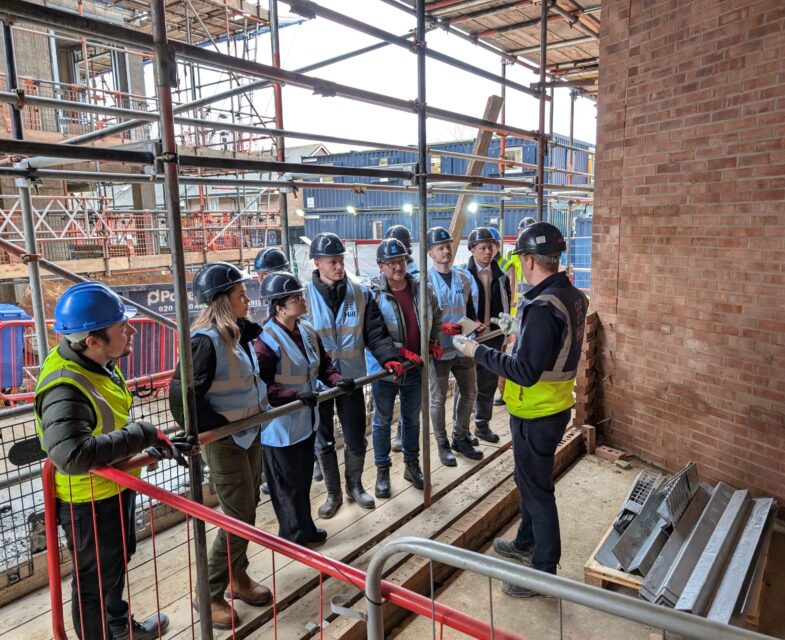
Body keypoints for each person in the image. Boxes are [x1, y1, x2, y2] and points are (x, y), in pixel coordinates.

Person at [452, 222, 588, 598]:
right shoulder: (569, 294)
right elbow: (551, 344)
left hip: (537, 411)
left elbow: (525, 372)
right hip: (551, 406)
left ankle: (543, 572)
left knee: (538, 492)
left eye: (520, 260)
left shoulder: (544, 306)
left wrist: (476, 351)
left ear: (529, 259)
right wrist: (521, 328)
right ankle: (527, 542)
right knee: (528, 483)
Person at [35, 281, 173, 640]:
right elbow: (71, 454)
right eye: (120, 326)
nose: (130, 329)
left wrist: (134, 452)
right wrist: (142, 434)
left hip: (114, 486)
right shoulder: (65, 387)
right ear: (92, 340)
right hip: (89, 501)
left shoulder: (100, 362)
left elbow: (105, 424)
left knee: (115, 564)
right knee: (93, 585)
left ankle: (118, 627)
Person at [169, 261, 270, 629]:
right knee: (239, 516)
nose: (247, 300)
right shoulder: (204, 341)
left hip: (249, 431)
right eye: (240, 295)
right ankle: (208, 592)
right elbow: (182, 396)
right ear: (223, 301)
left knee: (250, 507)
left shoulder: (233, 335)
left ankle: (237, 575)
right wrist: (209, 430)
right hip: (226, 439)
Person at [255, 272, 356, 546]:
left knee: (300, 483)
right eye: (296, 298)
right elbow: (262, 387)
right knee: (287, 487)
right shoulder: (265, 341)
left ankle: (305, 530)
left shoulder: (307, 330)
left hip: (304, 420)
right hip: (280, 429)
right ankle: (294, 537)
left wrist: (336, 380)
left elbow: (323, 364)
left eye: (301, 296)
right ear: (279, 307)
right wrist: (295, 394)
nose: (302, 301)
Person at [305, 232, 401, 517]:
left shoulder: (360, 292)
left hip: (352, 379)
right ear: (317, 264)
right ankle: (333, 494)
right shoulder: (301, 298)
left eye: (340, 261)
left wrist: (389, 359)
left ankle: (355, 486)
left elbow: (375, 333)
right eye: (332, 261)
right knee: (323, 440)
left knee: (356, 437)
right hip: (318, 383)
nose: (339, 267)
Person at [367, 238, 442, 498]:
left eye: (400, 261)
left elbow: (437, 313)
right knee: (383, 421)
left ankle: (412, 465)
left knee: (411, 419)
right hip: (386, 369)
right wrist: (399, 352)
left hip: (415, 366)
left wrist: (432, 341)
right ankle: (382, 471)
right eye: (390, 263)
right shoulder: (373, 295)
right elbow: (373, 333)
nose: (397, 267)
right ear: (380, 266)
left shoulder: (421, 287)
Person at [425, 226, 485, 465]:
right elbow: (424, 320)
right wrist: (437, 334)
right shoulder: (425, 281)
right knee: (437, 399)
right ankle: (442, 444)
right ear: (430, 252)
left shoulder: (463, 278)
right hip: (438, 350)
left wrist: (473, 326)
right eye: (440, 248)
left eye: (447, 246)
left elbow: (469, 312)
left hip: (462, 346)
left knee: (470, 392)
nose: (445, 251)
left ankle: (460, 436)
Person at [459, 227, 510, 444]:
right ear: (472, 250)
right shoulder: (462, 275)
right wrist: (469, 328)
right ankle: (462, 431)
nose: (488, 251)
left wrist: (505, 333)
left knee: (488, 384)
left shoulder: (500, 276)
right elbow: (457, 307)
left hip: (493, 337)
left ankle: (482, 425)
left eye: (491, 247)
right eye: (483, 248)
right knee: (468, 387)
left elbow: (506, 305)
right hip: (471, 338)